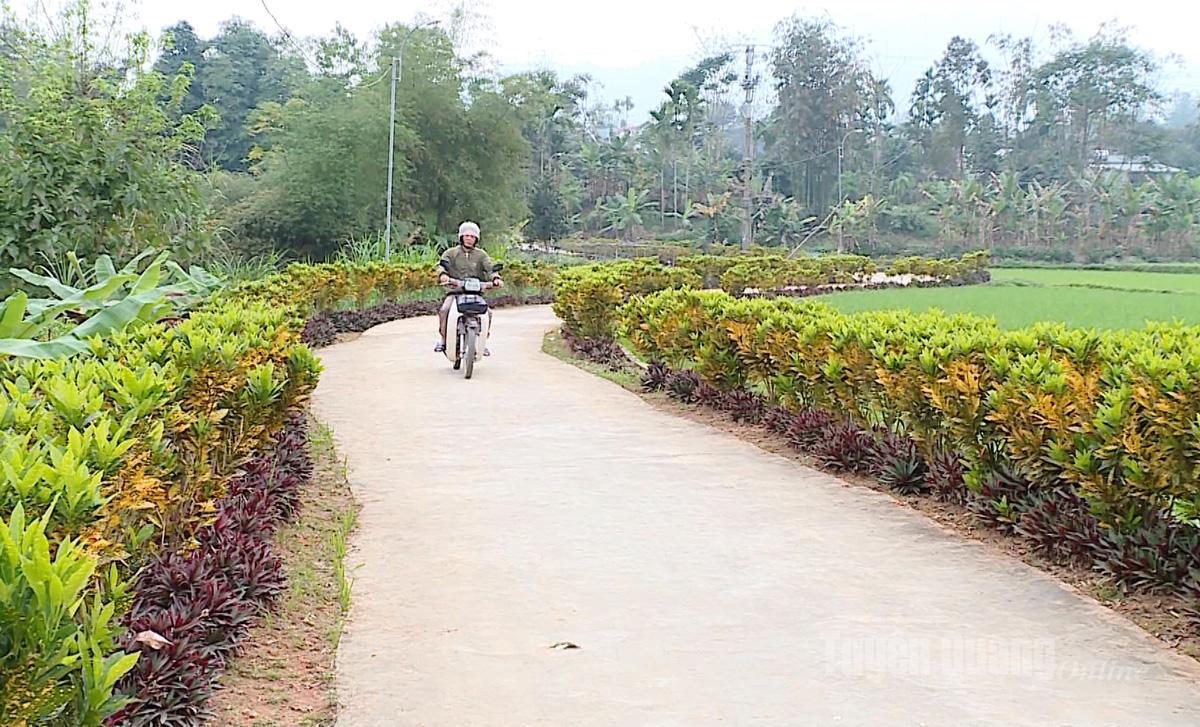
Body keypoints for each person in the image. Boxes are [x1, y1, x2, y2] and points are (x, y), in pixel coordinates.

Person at [434, 221, 502, 353]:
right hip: (455, 292)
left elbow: (490, 268)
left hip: (476, 293)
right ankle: (444, 340)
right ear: (461, 237)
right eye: (467, 236)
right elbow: (441, 265)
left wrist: (496, 278)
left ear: (476, 239)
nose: (469, 238)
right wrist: (443, 275)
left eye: (472, 236)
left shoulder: (481, 255)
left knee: (488, 313)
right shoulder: (451, 253)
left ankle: (482, 342)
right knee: (444, 310)